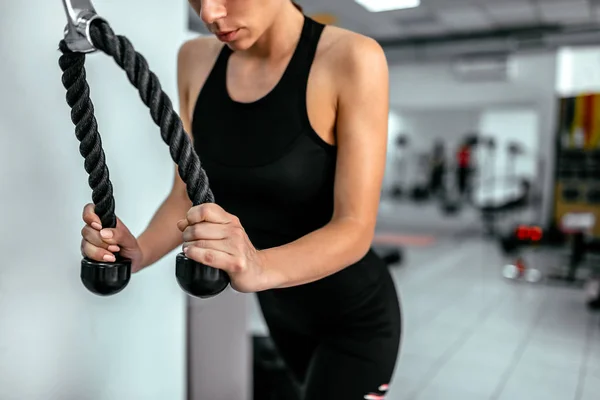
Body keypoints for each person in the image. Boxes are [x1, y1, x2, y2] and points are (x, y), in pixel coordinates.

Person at [80, 0, 401, 398]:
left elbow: (354, 227)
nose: (209, 14)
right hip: (281, 314)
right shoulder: (195, 58)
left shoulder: (352, 58)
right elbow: (186, 198)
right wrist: (139, 251)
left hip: (354, 317)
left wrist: (259, 264)